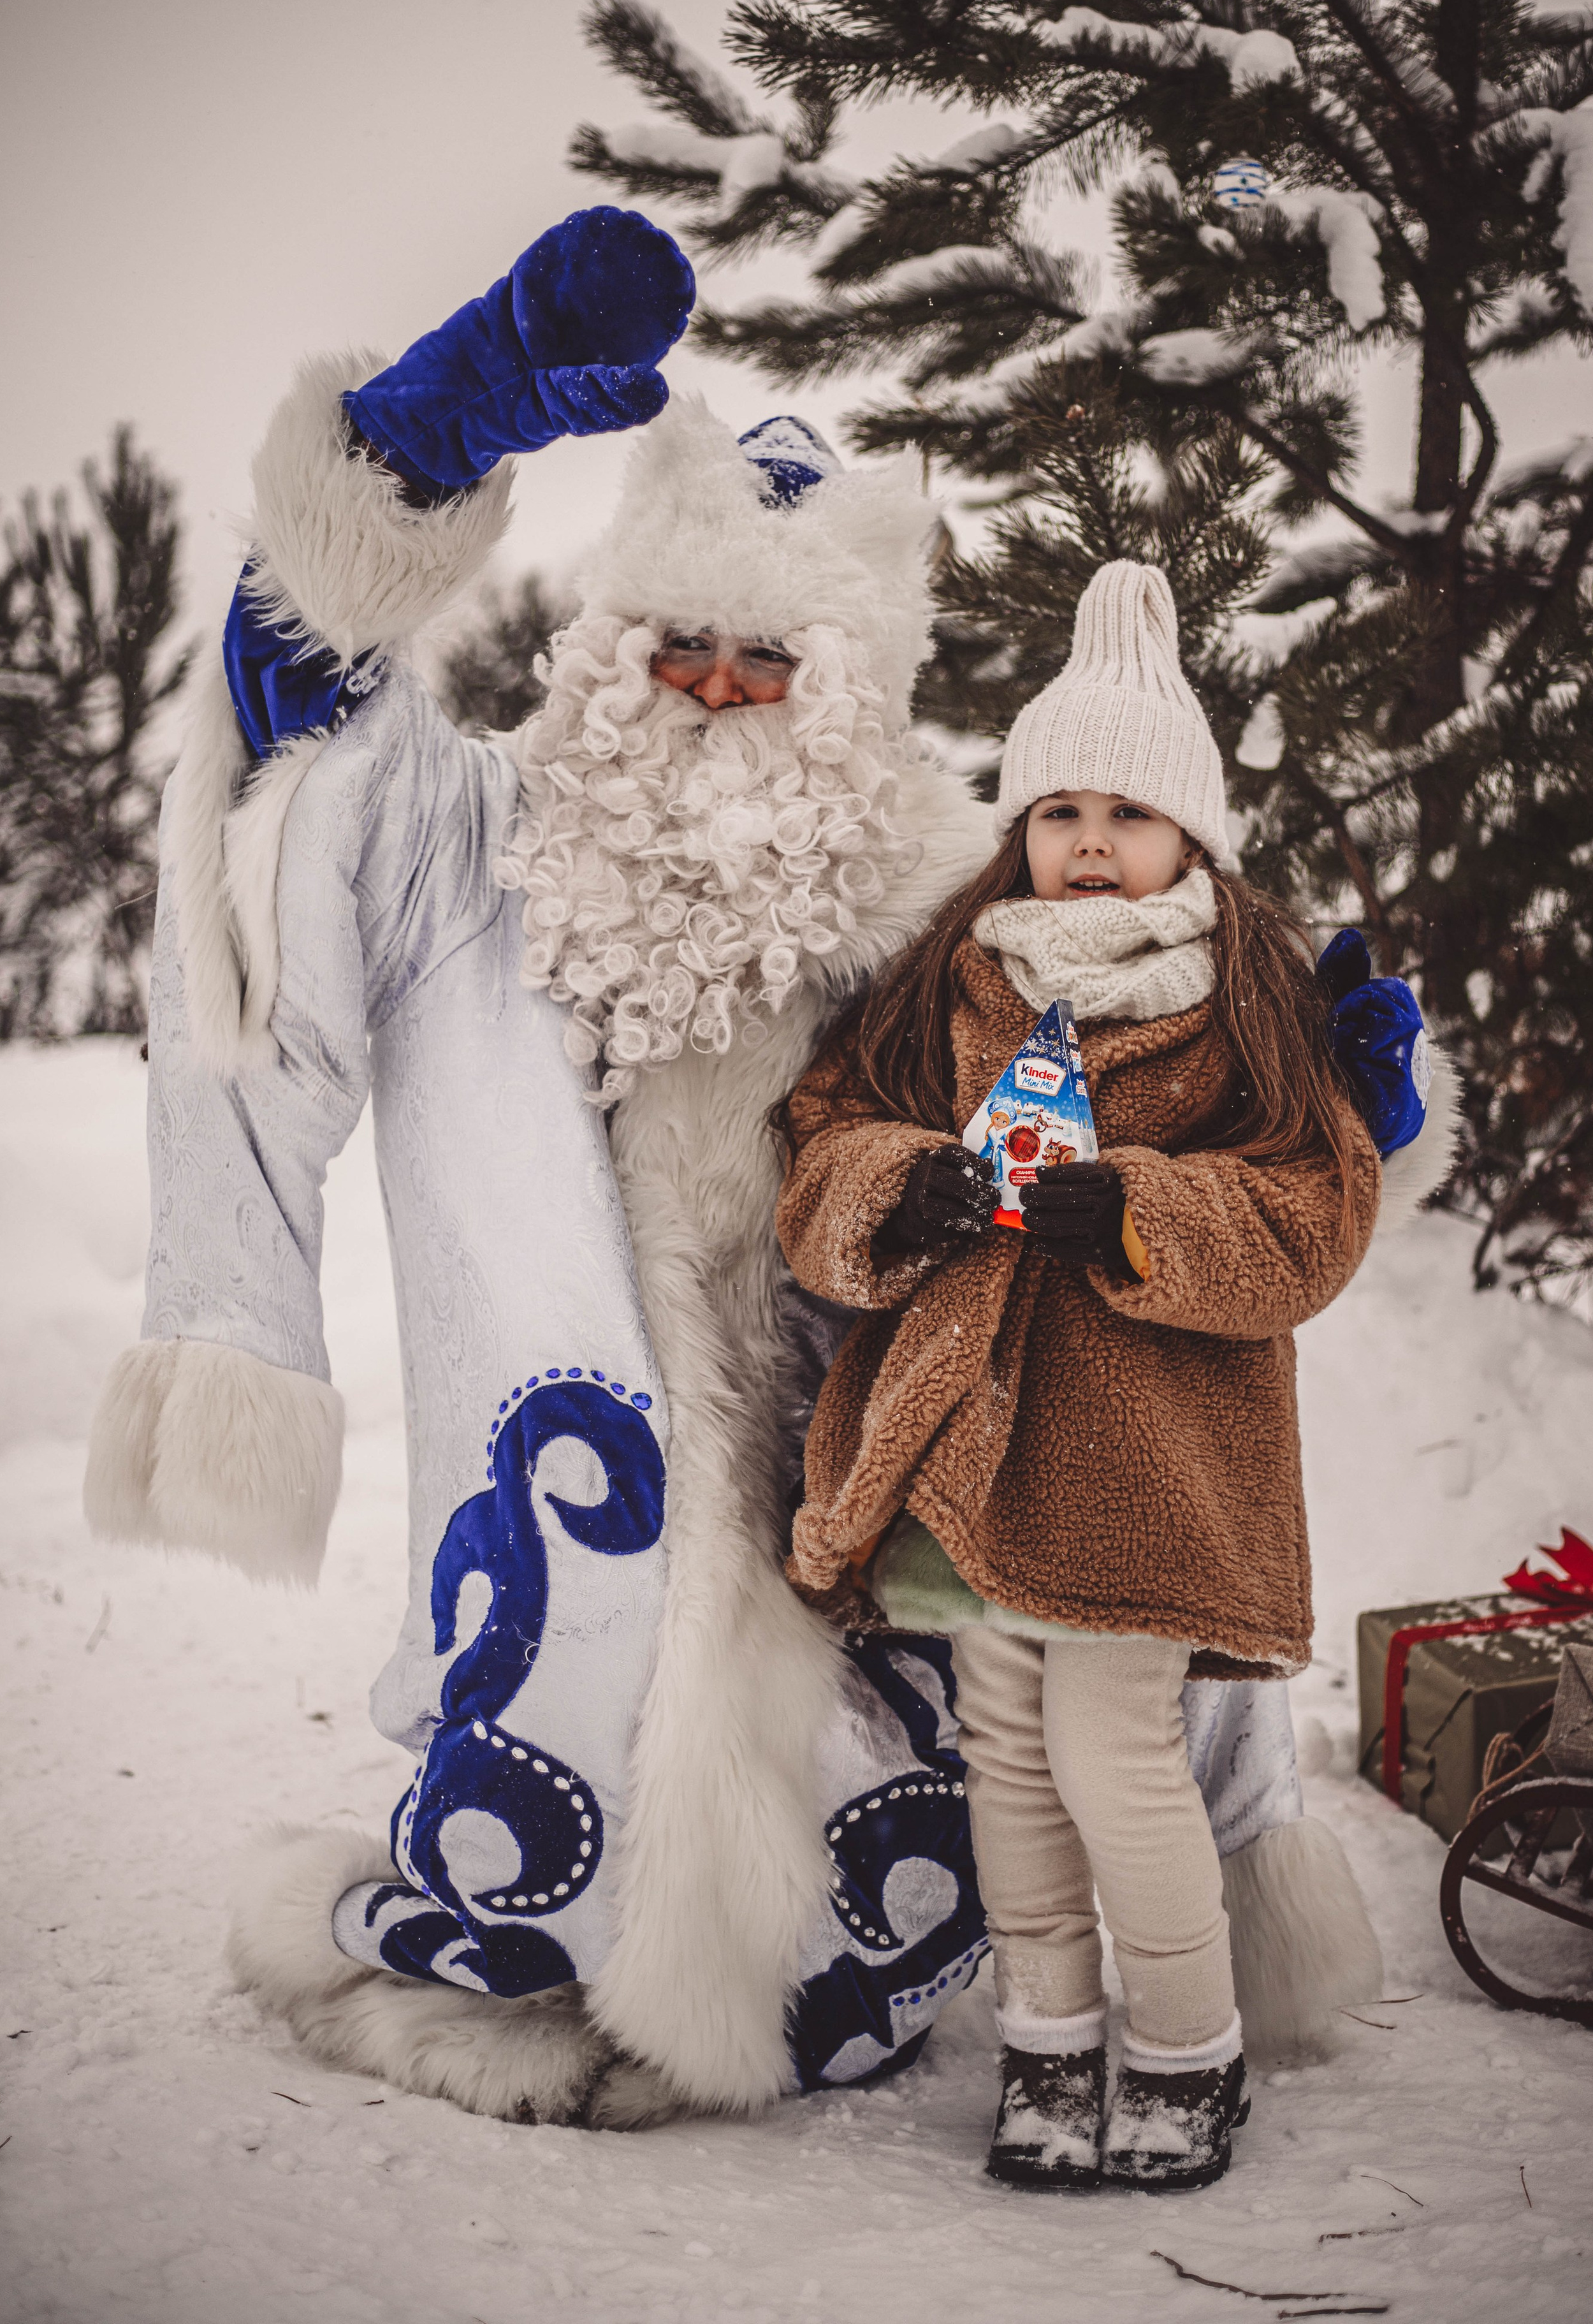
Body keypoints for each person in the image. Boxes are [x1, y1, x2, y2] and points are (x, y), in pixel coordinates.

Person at [83, 212, 1395, 2132]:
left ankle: (1049, 1976)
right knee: (557, 1760)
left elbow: (1159, 1123)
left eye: (764, 660)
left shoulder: (957, 904)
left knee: (895, 1887)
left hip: (867, 1503)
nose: (706, 689)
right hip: (573, 1478)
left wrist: (1305, 1114)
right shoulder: (498, 845)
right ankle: (531, 1940)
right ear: (608, 651)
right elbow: (299, 734)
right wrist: (420, 446)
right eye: (670, 643)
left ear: (851, 681)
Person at [773, 560, 1443, 2190]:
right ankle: (1049, 2046)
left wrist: (1140, 1209)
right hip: (964, 1435)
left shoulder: (1244, 995)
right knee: (1001, 1742)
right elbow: (819, 1133)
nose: (1087, 838)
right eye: (1057, 805)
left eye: (1127, 812)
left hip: (1147, 1454)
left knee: (1112, 1751)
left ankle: (1186, 2053)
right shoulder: (957, 975)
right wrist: (900, 1182)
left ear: (1189, 838)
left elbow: (1312, 1208)